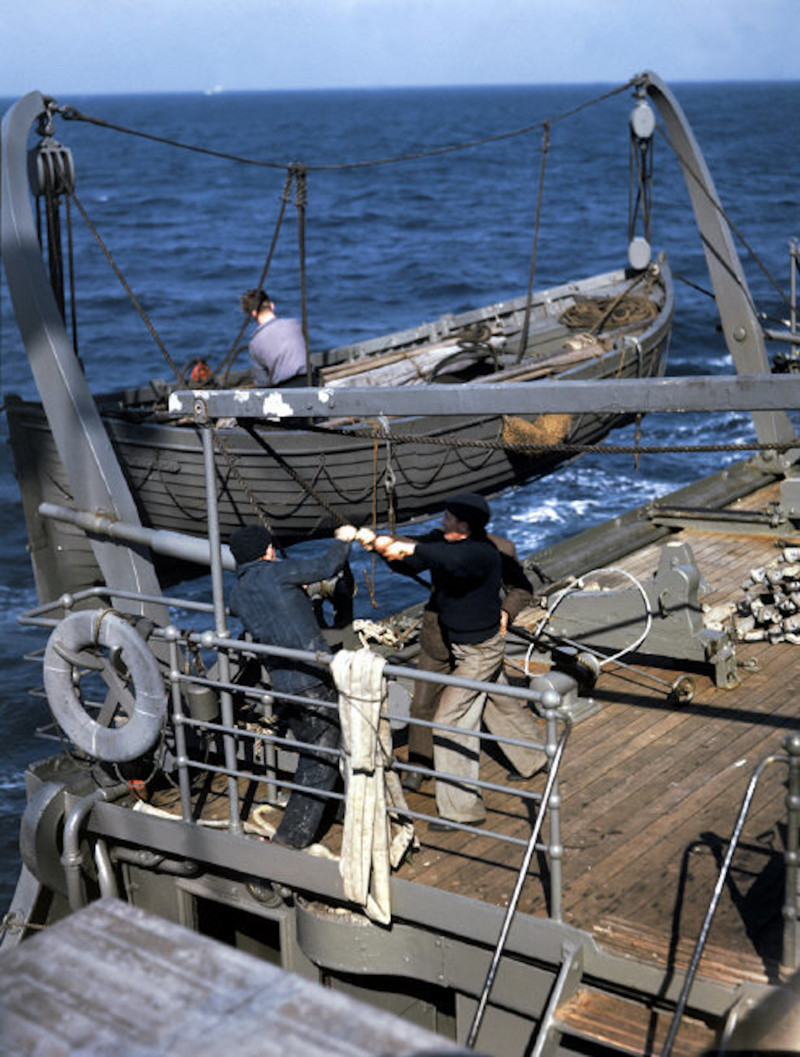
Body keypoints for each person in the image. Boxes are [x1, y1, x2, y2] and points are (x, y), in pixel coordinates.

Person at [349, 493, 546, 827]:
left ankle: (461, 811)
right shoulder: (442, 540)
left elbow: (456, 562)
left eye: (448, 517)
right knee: (495, 698)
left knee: (449, 721)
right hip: (445, 637)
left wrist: (505, 613)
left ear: (464, 525)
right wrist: (382, 549)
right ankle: (532, 759)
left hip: (479, 644)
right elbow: (412, 562)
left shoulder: (486, 551)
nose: (441, 522)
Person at [228, 522, 355, 848]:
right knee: (321, 757)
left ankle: (339, 809)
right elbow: (328, 566)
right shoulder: (278, 572)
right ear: (268, 551)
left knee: (318, 746)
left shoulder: (238, 594)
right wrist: (344, 539)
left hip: (283, 684)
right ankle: (290, 838)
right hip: (311, 679)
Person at [239, 288, 308, 388]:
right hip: (310, 380)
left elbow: (263, 382)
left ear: (253, 313)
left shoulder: (255, 344)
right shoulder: (295, 324)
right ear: (272, 305)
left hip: (287, 389)